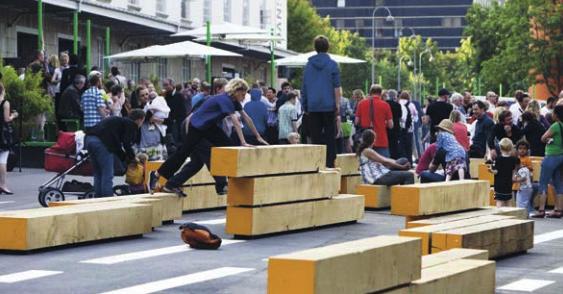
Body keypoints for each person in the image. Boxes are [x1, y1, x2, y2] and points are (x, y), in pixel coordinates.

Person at [148, 79, 268, 196]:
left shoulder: (233, 101)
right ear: (236, 91)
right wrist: (243, 142)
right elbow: (235, 121)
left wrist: (258, 137)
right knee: (183, 153)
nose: (243, 97)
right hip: (196, 126)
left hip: (208, 127)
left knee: (226, 147)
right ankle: (157, 174)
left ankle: (173, 184)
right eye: (242, 94)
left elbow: (247, 118)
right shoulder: (224, 99)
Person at [84, 109, 145, 197]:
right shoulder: (131, 125)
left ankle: (98, 198)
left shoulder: (120, 121)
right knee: (107, 173)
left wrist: (124, 157)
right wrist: (132, 158)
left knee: (98, 172)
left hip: (89, 139)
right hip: (101, 143)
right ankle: (107, 199)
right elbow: (126, 143)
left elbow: (117, 146)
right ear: (140, 119)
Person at [301, 35, 341, 168]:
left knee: (315, 137)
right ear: (327, 47)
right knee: (330, 135)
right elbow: (336, 87)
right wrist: (337, 104)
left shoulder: (308, 65)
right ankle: (330, 163)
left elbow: (304, 87)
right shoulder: (333, 65)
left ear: (315, 48)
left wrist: (304, 105)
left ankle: (316, 164)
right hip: (329, 105)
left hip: (312, 106)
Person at [532, 105, 563, 218]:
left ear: (557, 114)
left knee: (543, 182)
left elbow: (543, 138)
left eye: (554, 112)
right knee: (558, 183)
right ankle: (558, 210)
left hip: (551, 156)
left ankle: (541, 210)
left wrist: (548, 140)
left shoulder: (555, 126)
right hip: (561, 156)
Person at [355, 84, 393, 157]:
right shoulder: (385, 105)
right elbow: (391, 125)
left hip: (365, 139)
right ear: (380, 93)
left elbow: (356, 122)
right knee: (383, 164)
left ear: (370, 92)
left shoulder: (361, 103)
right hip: (381, 139)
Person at [489, 138, 519, 207]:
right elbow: (514, 170)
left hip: (498, 185)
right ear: (511, 148)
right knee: (508, 201)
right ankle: (510, 216)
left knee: (499, 201)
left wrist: (491, 170)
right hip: (508, 184)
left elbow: (496, 171)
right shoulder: (513, 159)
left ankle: (499, 215)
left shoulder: (498, 159)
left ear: (500, 148)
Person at [0, 83, 18, 195]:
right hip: (2, 133)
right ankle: (2, 184)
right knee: (2, 160)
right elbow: (6, 119)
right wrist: (14, 115)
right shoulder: (5, 103)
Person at [162, 78, 187, 147]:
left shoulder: (179, 96)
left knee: (176, 143)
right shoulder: (165, 96)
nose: (165, 87)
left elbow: (183, 112)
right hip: (167, 123)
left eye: (167, 85)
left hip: (176, 123)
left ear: (172, 85)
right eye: (164, 85)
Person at [397, 91, 418, 163]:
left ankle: (401, 162)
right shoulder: (411, 105)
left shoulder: (398, 103)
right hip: (409, 129)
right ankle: (409, 162)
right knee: (409, 146)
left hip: (400, 129)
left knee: (401, 146)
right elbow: (416, 117)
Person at [386, 89, 402, 159]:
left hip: (386, 126)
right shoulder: (397, 105)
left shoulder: (385, 103)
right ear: (395, 96)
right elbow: (400, 115)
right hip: (395, 126)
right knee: (395, 144)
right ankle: (394, 159)